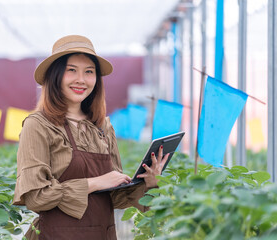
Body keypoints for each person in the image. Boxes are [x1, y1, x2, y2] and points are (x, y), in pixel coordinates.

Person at [13, 35, 169, 240]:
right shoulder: (39, 125)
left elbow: (115, 197)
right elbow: (36, 197)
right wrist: (95, 183)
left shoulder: (102, 126)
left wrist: (148, 182)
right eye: (71, 70)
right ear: (55, 75)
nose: (81, 79)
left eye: (89, 72)